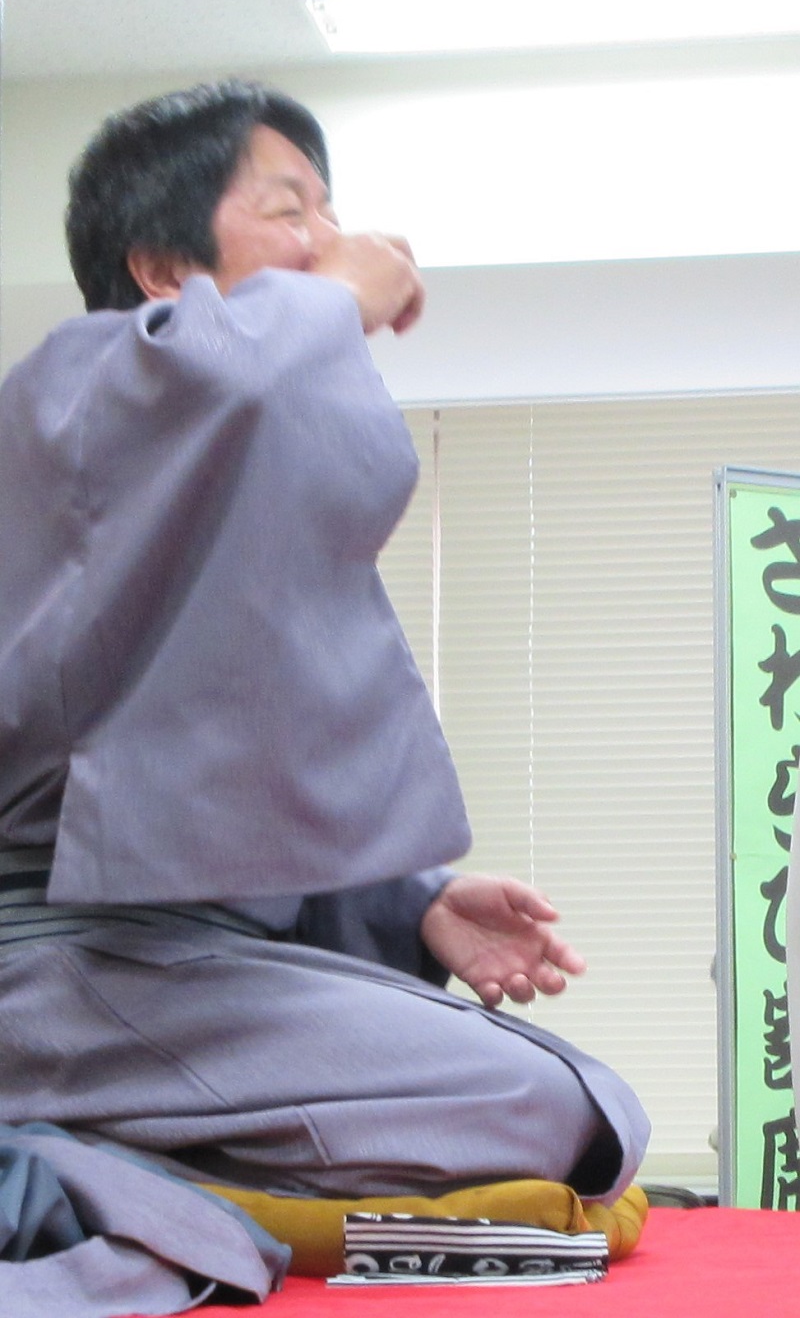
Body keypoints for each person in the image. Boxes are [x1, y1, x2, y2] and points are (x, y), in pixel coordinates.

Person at [0, 80, 648, 1215]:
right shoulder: (76, 390)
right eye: (289, 210)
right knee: (547, 1108)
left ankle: (117, 1161)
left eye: (331, 213)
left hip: (172, 970)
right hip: (56, 970)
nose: (332, 240)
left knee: (572, 1103)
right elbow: (236, 371)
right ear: (163, 272)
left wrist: (414, 903)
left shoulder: (215, 496)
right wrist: (337, 295)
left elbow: (211, 782)